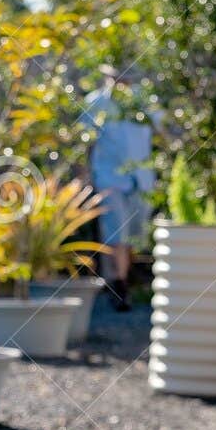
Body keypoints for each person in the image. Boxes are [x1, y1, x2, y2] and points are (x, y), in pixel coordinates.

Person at [81, 71, 157, 311]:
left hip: (141, 179)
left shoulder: (144, 100)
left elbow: (161, 129)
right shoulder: (96, 102)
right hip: (110, 177)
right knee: (116, 231)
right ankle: (120, 286)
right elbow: (87, 140)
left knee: (133, 236)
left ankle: (119, 279)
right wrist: (85, 175)